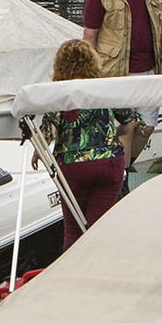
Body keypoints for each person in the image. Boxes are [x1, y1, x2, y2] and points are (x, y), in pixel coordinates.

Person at [37, 39, 132, 254]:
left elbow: (48, 131)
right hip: (108, 162)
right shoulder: (104, 88)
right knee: (99, 228)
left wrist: (37, 152)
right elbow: (130, 119)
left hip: (73, 167)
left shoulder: (59, 92)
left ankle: (71, 275)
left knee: (73, 230)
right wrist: (116, 143)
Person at [81, 0, 162, 159]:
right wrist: (91, 72)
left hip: (149, 70)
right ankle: (122, 177)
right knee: (124, 128)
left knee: (147, 126)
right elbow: (89, 35)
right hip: (116, 72)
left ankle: (125, 166)